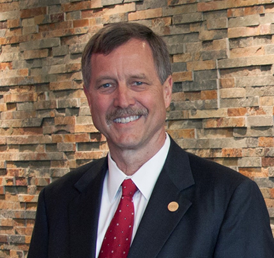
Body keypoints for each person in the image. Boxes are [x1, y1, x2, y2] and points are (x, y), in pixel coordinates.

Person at [28, 22, 274, 258]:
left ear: (166, 91)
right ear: (89, 97)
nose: (123, 100)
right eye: (106, 85)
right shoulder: (56, 202)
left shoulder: (230, 199)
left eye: (138, 82)